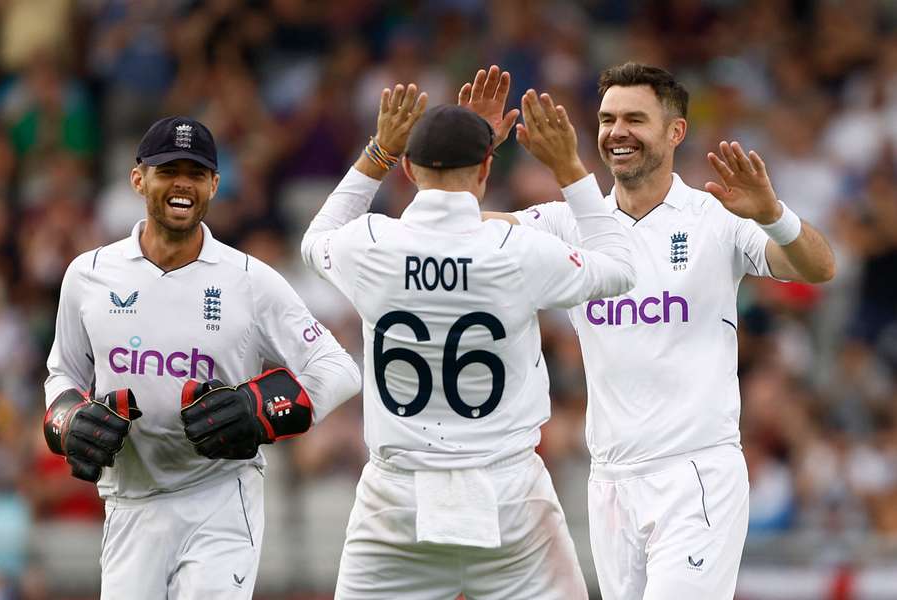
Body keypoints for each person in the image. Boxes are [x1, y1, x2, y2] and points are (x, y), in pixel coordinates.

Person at [481, 62, 837, 599]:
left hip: (696, 475)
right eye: (606, 119)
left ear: (676, 132)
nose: (616, 131)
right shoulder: (566, 224)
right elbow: (456, 232)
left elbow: (818, 267)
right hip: (611, 483)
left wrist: (773, 214)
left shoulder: (714, 217)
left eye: (634, 118)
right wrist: (469, 153)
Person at [301, 70, 635, 599]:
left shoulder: (370, 244)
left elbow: (315, 237)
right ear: (486, 168)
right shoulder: (517, 251)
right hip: (510, 497)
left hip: (395, 500)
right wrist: (569, 167)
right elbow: (619, 267)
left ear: (408, 169)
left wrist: (377, 151)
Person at [43, 116, 361, 599]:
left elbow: (337, 370)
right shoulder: (88, 275)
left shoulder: (250, 279)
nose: (182, 185)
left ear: (214, 184)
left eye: (196, 174)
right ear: (138, 179)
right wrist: (67, 418)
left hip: (219, 498)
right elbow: (63, 371)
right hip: (130, 500)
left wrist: (258, 412)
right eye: (168, 171)